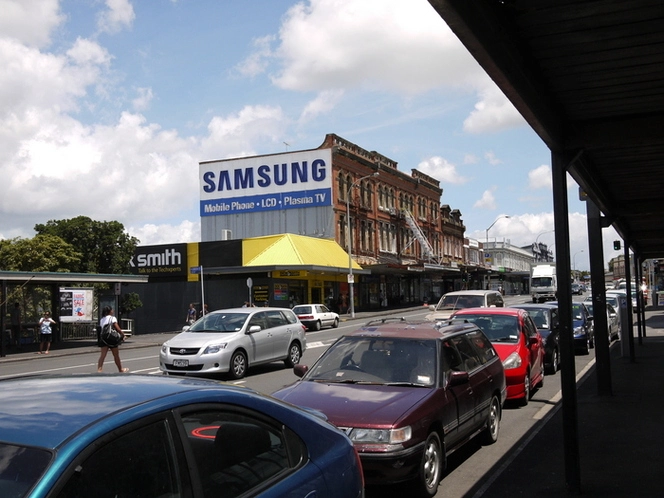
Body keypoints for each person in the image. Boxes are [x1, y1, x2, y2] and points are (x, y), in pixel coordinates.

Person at [97, 306, 128, 373]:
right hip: (112, 339)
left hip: (104, 338)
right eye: (112, 310)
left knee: (102, 355)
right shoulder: (112, 318)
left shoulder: (102, 319)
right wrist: (123, 335)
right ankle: (120, 369)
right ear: (110, 311)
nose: (113, 311)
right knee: (116, 355)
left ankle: (99, 370)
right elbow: (117, 328)